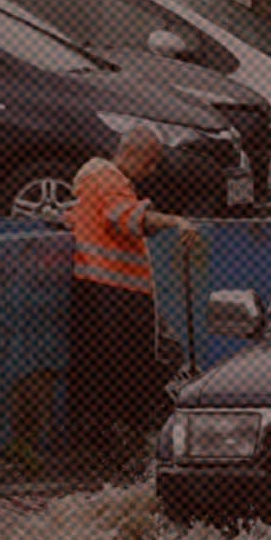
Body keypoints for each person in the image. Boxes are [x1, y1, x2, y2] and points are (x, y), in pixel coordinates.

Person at [65, 125, 202, 460]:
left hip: (100, 288)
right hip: (115, 292)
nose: (152, 171)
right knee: (131, 370)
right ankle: (128, 445)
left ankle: (101, 446)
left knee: (103, 373)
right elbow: (125, 218)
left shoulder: (92, 183)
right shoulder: (110, 180)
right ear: (133, 153)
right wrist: (175, 222)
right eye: (151, 162)